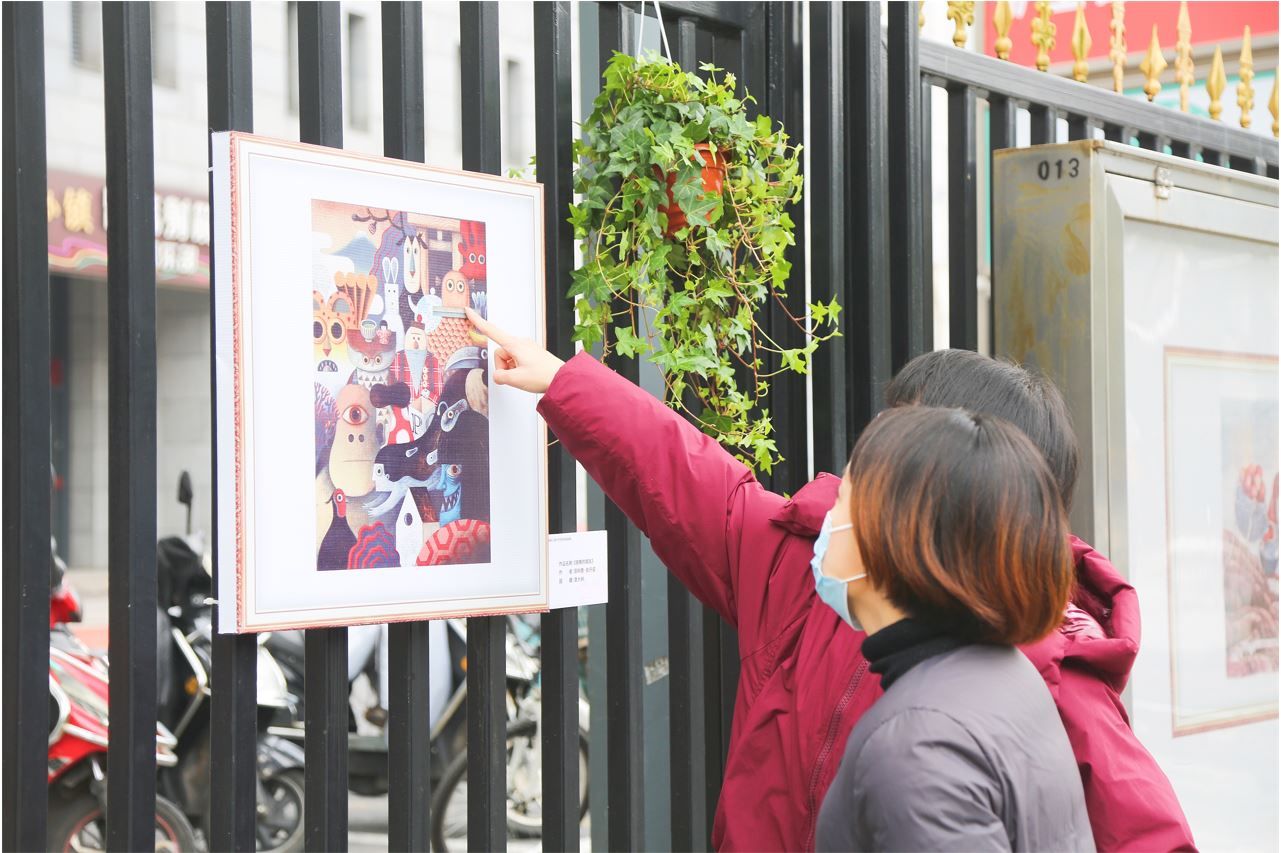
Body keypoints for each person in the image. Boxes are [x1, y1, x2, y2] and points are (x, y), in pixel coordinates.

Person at [466, 308, 1194, 852]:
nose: (853, 481)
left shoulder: (1047, 672)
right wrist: (567, 382)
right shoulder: (803, 563)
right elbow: (691, 481)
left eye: (896, 453)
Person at [813, 405, 1092, 851]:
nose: (828, 524)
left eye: (841, 502)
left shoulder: (917, 745)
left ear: (896, 532)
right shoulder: (1001, 672)